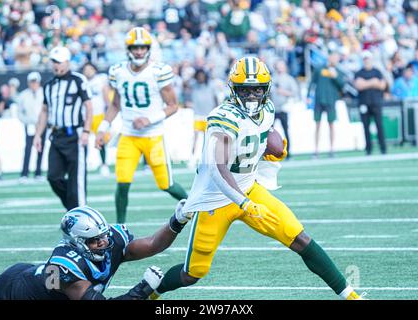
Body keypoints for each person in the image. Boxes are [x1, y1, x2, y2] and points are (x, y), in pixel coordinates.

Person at [151, 57, 364, 300]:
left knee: (299, 237)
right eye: (245, 89)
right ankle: (152, 292)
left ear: (266, 89)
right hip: (215, 200)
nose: (252, 95)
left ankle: (351, 296)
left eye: (257, 89)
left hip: (250, 188)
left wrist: (275, 144)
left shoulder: (268, 110)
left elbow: (265, 133)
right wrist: (244, 204)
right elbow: (217, 169)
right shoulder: (222, 117)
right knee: (193, 273)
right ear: (234, 90)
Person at [0, 202, 191, 300]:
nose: (103, 242)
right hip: (11, 290)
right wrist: (142, 290)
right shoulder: (63, 266)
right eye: (94, 240)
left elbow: (153, 244)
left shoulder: (110, 240)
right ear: (77, 242)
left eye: (104, 236)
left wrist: (176, 221)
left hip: (28, 273)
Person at [96, 27, 188, 224]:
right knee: (122, 183)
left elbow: (173, 106)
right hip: (128, 136)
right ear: (128, 48)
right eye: (135, 47)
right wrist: (103, 127)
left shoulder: (158, 71)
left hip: (154, 136)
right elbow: (115, 104)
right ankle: (120, 226)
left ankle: (194, 208)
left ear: (148, 49)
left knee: (167, 184)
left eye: (143, 47)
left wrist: (150, 119)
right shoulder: (117, 71)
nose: (139, 51)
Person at [33, 46, 93, 210]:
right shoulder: (49, 85)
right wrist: (38, 135)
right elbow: (44, 111)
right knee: (53, 177)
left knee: (77, 181)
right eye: (53, 61)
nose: (56, 65)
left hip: (75, 134)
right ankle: (75, 211)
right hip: (56, 135)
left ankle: (80, 214)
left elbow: (88, 106)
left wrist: (87, 131)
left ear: (67, 62)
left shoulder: (78, 80)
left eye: (59, 62)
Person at [307, 51, 346, 158]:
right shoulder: (319, 69)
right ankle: (316, 150)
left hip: (331, 101)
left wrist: (335, 76)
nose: (335, 59)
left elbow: (342, 86)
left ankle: (332, 149)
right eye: (333, 57)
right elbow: (312, 83)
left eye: (336, 58)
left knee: (331, 125)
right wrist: (308, 97)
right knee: (317, 125)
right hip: (319, 101)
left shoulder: (338, 71)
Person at [354, 51, 388, 155]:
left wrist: (366, 83)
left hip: (376, 103)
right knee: (365, 127)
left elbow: (382, 85)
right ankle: (368, 149)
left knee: (379, 126)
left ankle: (383, 148)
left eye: (368, 59)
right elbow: (358, 85)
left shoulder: (377, 72)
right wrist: (373, 82)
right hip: (364, 103)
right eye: (364, 59)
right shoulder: (359, 73)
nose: (366, 61)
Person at [82, 62, 112, 176]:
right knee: (84, 141)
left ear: (95, 70)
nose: (88, 71)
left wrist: (109, 114)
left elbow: (106, 98)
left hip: (99, 114)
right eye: (86, 69)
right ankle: (84, 163)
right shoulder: (82, 82)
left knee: (101, 140)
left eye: (90, 69)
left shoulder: (100, 80)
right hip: (85, 115)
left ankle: (104, 164)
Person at [17, 71, 46, 181]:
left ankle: (38, 172)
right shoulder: (23, 95)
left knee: (41, 148)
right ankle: (24, 173)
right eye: (32, 82)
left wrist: (43, 122)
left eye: (35, 82)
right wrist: (27, 121)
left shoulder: (44, 93)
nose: (34, 84)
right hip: (29, 125)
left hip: (42, 125)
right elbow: (20, 113)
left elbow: (47, 110)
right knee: (28, 149)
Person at [188, 69, 219, 168]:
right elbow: (185, 84)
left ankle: (209, 159)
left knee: (209, 140)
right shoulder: (194, 85)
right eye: (198, 76)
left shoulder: (211, 86)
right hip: (197, 115)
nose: (200, 78)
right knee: (195, 139)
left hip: (208, 116)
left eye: (202, 76)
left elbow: (216, 99)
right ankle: (192, 159)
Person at [270, 60, 300, 159]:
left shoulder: (289, 79)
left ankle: (288, 152)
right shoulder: (272, 78)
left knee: (286, 130)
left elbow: (295, 93)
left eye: (281, 66)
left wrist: (283, 92)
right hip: (273, 109)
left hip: (283, 108)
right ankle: (269, 151)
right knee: (270, 132)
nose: (279, 68)